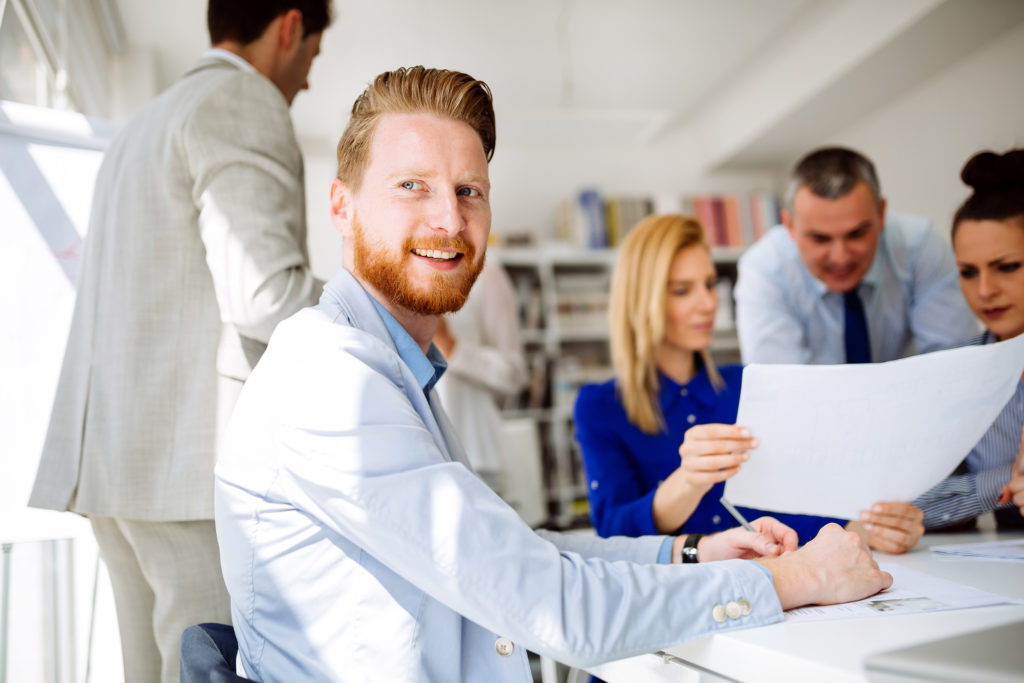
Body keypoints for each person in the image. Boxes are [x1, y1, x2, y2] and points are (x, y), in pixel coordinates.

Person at [214, 65, 891, 683]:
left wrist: (691, 554)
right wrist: (791, 577)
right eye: (411, 186)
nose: (449, 218)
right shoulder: (332, 377)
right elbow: (551, 602)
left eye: (468, 191)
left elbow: (520, 553)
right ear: (342, 205)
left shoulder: (392, 367)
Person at [28, 2, 332, 681]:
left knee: (153, 669)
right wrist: (372, 303)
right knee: (215, 666)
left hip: (115, 461)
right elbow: (266, 294)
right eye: (314, 51)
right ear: (288, 27)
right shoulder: (240, 101)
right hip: (192, 471)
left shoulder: (141, 126)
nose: (309, 78)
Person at [574, 215, 924, 553]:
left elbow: (789, 504)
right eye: (682, 290)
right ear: (641, 302)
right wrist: (687, 482)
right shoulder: (600, 406)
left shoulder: (750, 384)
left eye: (710, 285)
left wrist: (869, 530)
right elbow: (612, 531)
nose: (708, 303)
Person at [735, 146, 978, 365]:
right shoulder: (764, 269)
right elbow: (781, 390)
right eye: (820, 239)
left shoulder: (919, 246)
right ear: (789, 226)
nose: (840, 258)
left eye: (856, 234)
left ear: (881, 213)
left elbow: (954, 362)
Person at [914, 149, 1024, 531]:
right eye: (967, 272)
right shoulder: (956, 376)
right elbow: (908, 507)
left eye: (1006, 267)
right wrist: (1007, 479)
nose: (985, 290)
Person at [433, 260, 529, 498]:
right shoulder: (391, 272)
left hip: (475, 457)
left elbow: (515, 374)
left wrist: (451, 348)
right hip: (416, 460)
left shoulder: (484, 273)